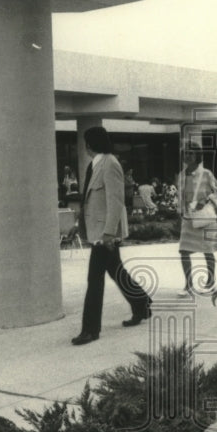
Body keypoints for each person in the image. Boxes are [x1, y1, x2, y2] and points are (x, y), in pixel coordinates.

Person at [73, 127, 152, 345]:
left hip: (105, 234)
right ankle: (142, 304)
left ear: (91, 143)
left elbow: (116, 201)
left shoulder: (110, 164)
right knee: (117, 271)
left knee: (94, 280)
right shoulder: (96, 163)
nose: (85, 146)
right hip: (97, 230)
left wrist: (109, 232)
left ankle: (90, 330)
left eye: (86, 142)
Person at [176, 142, 217, 298]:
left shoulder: (206, 173)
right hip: (188, 218)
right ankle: (188, 284)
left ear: (197, 155)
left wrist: (206, 201)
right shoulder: (181, 175)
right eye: (186, 153)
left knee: (207, 251)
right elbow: (180, 198)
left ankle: (210, 281)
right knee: (183, 251)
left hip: (204, 217)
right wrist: (180, 213)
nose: (188, 156)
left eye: (191, 153)